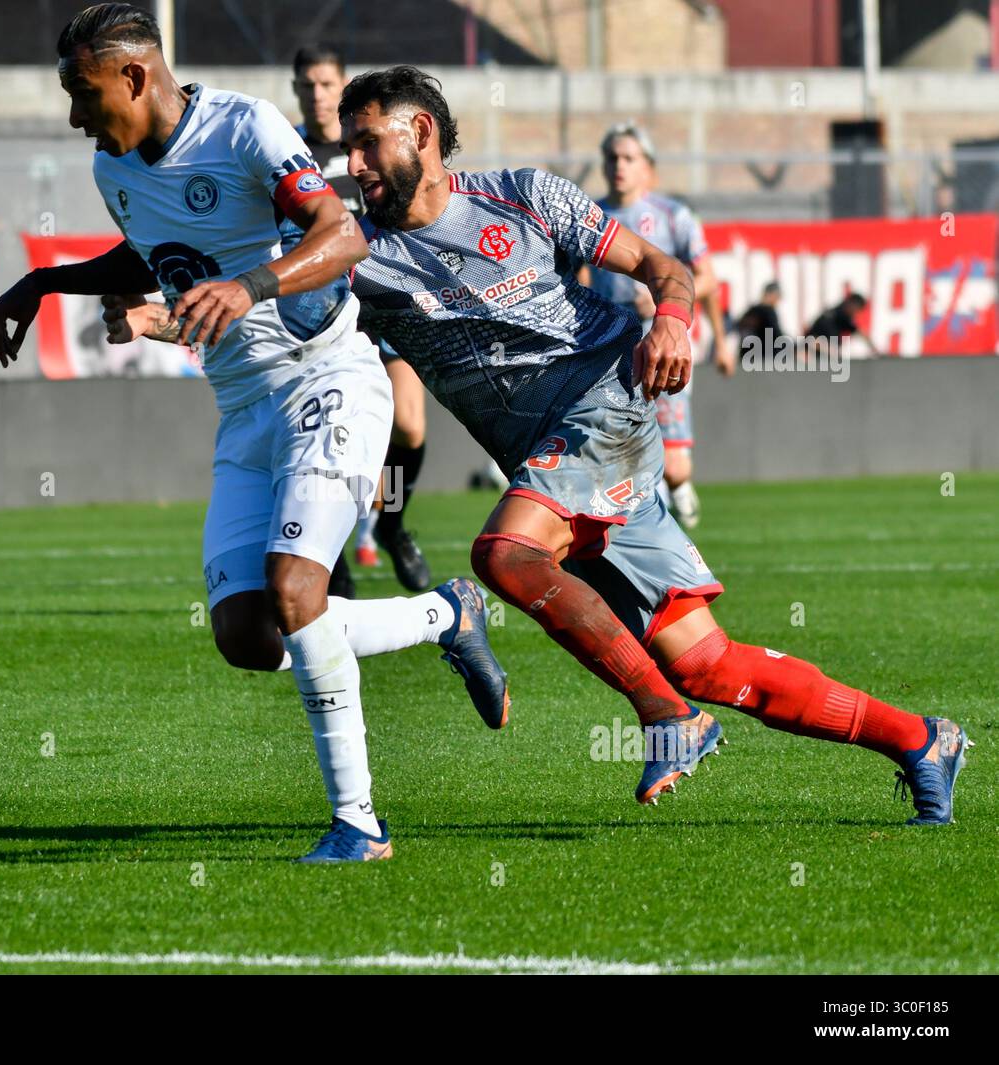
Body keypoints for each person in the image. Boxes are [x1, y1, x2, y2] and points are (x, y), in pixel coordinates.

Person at [340, 65, 970, 823]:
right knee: (707, 661)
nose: (353, 165)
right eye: (349, 149)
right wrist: (154, 316)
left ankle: (666, 718)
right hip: (560, 464)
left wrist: (674, 317)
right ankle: (922, 739)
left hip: (606, 406)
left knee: (505, 554)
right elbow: (256, 296)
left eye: (367, 144)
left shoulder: (524, 196)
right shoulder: (353, 257)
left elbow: (662, 269)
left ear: (421, 134)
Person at [0, 6, 508, 863]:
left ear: (132, 76)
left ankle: (358, 826)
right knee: (247, 634)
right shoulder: (110, 166)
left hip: (331, 382)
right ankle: (444, 614)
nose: (76, 115)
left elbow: (340, 236)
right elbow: (155, 252)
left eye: (83, 93)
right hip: (243, 411)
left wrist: (252, 286)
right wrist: (45, 279)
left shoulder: (243, 127)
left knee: (297, 587)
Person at [290, 42, 431, 593]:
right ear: (297, 89)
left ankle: (392, 522)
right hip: (324, 310)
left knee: (410, 425)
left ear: (341, 83)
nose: (318, 94)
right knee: (324, 441)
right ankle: (332, 561)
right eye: (308, 85)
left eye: (326, 83)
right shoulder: (289, 152)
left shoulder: (367, 144)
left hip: (385, 296)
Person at [583, 123, 733, 530]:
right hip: (609, 345)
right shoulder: (590, 216)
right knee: (612, 444)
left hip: (664, 341)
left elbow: (707, 280)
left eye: (629, 158)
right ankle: (640, 529)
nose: (619, 166)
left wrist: (717, 340)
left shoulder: (672, 215)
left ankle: (680, 489)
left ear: (647, 167)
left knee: (676, 464)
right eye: (613, 158)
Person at [807, 292, 878, 361]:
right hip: (811, 359)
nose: (856, 314)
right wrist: (831, 350)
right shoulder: (833, 317)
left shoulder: (841, 317)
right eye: (857, 310)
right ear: (852, 305)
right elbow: (811, 340)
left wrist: (874, 349)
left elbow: (859, 332)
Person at [736, 281, 783, 363]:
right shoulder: (768, 311)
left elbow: (738, 326)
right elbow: (777, 335)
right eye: (778, 297)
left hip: (745, 360)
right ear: (772, 295)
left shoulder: (751, 311)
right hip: (764, 361)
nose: (778, 301)